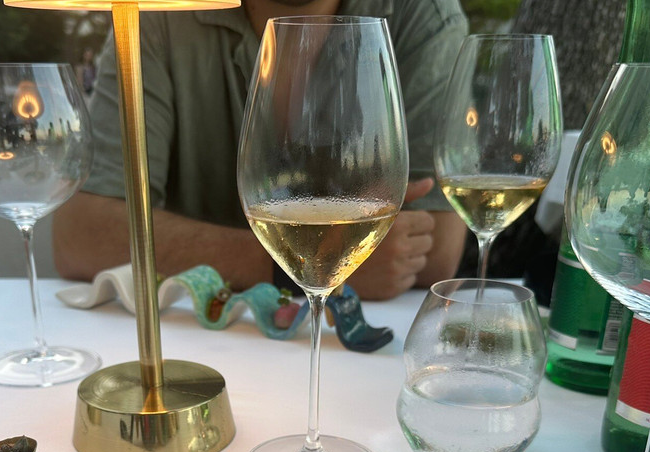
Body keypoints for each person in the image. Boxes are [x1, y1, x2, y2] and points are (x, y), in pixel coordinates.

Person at [52, 0, 470, 301]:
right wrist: (297, 266)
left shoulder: (424, 16)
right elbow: (80, 237)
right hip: (199, 342)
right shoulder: (158, 12)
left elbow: (436, 252)